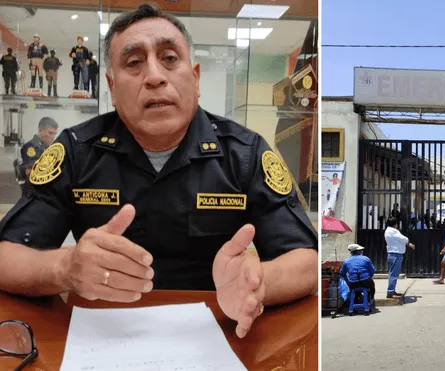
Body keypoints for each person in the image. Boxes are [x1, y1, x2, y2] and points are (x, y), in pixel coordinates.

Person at [0, 3, 317, 339]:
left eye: (169, 58)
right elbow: (7, 256)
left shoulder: (244, 154)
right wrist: (64, 268)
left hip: (219, 334)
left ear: (194, 78)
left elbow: (306, 262)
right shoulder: (77, 150)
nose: (154, 76)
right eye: (134, 62)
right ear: (111, 85)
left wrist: (258, 284)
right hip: (101, 337)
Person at [16, 117, 58, 194]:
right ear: (40, 130)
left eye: (54, 134)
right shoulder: (31, 147)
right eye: (50, 133)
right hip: (34, 191)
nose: (52, 137)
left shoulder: (46, 147)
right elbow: (31, 173)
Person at [384, 217, 414, 298]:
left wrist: (408, 244)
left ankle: (392, 290)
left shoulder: (388, 231)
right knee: (394, 274)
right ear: (394, 223)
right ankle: (390, 292)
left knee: (392, 273)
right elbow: (403, 239)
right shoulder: (393, 231)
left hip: (392, 254)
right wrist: (407, 241)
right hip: (396, 254)